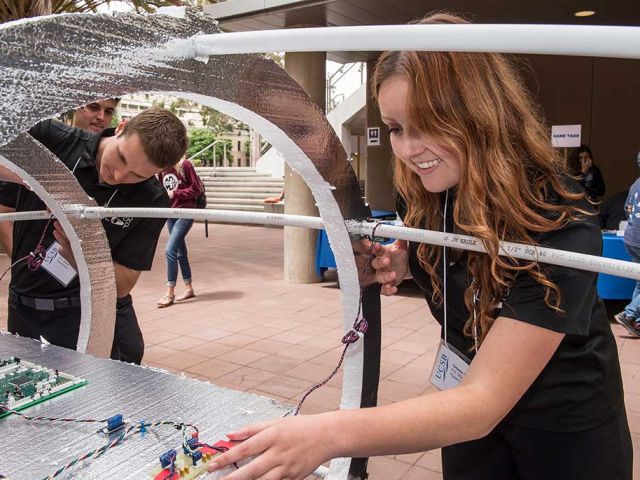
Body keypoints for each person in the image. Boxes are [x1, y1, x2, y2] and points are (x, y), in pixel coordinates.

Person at [207, 13, 632, 480]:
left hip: (563, 430)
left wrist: (326, 436)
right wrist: (407, 259)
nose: (410, 149)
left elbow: (483, 402)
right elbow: (461, 263)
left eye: (429, 123)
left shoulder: (558, 218)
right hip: (462, 412)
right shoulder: (429, 190)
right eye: (395, 127)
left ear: (481, 111)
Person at [0, 107, 188, 364]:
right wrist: (37, 178)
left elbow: (124, 283)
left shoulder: (151, 198)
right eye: (121, 158)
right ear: (121, 128)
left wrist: (86, 257)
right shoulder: (52, 137)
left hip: (83, 311)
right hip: (21, 302)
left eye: (137, 175)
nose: (119, 176)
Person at [157, 157, 200, 308]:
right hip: (171, 213)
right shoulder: (162, 168)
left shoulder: (184, 165)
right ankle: (189, 288)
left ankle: (170, 293)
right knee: (181, 252)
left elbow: (197, 189)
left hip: (185, 212)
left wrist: (175, 193)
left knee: (170, 250)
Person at [615, 161, 640, 337]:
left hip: (631, 237)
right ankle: (629, 314)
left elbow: (627, 209)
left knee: (639, 279)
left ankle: (636, 322)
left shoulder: (636, 183)